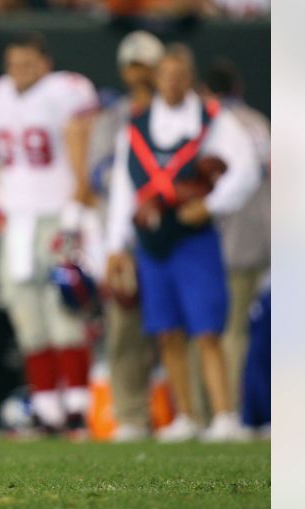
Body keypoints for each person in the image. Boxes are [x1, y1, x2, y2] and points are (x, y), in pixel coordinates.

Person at [104, 47, 261, 442]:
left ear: (190, 77)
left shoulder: (213, 119)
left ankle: (225, 415)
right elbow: (125, 188)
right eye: (166, 74)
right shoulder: (136, 125)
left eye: (180, 74)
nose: (172, 82)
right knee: (167, 332)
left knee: (208, 330)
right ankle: (187, 415)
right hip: (151, 241)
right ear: (156, 78)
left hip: (193, 239)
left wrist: (211, 204)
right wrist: (115, 245)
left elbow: (246, 168)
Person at [0, 33, 98, 435]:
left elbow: (82, 153)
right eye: (14, 64)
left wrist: (76, 212)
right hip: (16, 221)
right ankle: (47, 409)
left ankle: (78, 405)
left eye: (28, 64)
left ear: (46, 63)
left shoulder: (67, 91)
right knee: (27, 316)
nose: (20, 72)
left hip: (56, 215)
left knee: (65, 311)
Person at [90, 31, 164, 441]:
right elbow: (96, 174)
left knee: (178, 329)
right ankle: (132, 415)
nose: (139, 74)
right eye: (133, 66)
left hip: (170, 234)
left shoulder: (178, 114)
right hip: (124, 236)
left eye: (146, 65)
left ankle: (193, 413)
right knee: (124, 331)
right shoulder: (113, 117)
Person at [202, 60, 270, 412]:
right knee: (250, 330)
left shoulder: (217, 126)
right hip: (266, 234)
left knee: (226, 332)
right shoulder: (259, 122)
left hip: (231, 240)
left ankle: (229, 411)